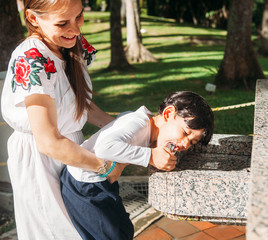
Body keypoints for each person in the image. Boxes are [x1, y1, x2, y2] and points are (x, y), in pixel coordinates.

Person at [0, 0, 174, 238]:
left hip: (72, 150)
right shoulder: (31, 57)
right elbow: (48, 141)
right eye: (63, 23)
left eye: (79, 17)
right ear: (32, 19)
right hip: (42, 160)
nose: (76, 30)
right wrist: (106, 167)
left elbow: (78, 103)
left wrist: (130, 130)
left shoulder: (70, 44)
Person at [60, 91, 214, 240]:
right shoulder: (139, 123)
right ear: (168, 114)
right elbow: (104, 147)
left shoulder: (144, 122)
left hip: (102, 182)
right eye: (186, 133)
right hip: (83, 185)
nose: (185, 144)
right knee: (110, 236)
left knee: (125, 230)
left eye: (192, 142)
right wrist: (151, 156)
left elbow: (121, 120)